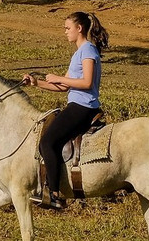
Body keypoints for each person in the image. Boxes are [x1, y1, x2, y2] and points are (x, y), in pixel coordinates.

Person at [21, 11, 109, 211]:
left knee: (47, 142)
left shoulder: (88, 51)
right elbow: (64, 87)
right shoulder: (79, 52)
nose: (65, 32)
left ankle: (54, 195)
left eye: (68, 28)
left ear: (79, 29)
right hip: (76, 104)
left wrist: (60, 78)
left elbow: (86, 82)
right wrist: (37, 83)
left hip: (84, 107)